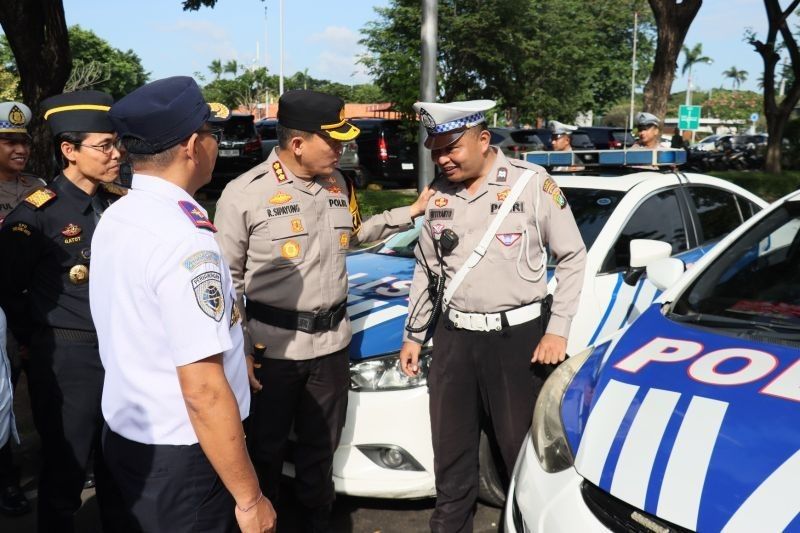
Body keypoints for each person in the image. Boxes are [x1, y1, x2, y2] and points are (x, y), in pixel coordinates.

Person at [214, 89, 432, 532]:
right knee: (266, 451)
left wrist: (408, 212)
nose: (342, 148)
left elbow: (353, 235)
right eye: (332, 141)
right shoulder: (244, 194)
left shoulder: (339, 184)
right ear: (298, 143)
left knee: (321, 448)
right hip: (271, 349)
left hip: (332, 344)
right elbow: (226, 283)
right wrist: (240, 350)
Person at [93, 76, 275, 533]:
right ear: (194, 145)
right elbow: (203, 390)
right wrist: (250, 500)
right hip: (184, 459)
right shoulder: (184, 237)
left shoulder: (121, 213)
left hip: (127, 438)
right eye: (213, 134)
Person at [399, 100, 587, 532]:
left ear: (483, 140)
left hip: (517, 343)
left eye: (452, 148)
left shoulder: (531, 185)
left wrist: (557, 331)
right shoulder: (438, 194)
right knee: (451, 458)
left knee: (520, 457)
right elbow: (428, 269)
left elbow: (573, 255)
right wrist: (414, 335)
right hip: (454, 341)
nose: (443, 158)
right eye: (435, 150)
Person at [0, 90, 127, 532]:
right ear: (69, 151)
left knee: (120, 461)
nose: (116, 154)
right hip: (69, 353)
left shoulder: (121, 202)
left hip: (125, 350)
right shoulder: (36, 215)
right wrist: (33, 341)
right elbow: (8, 286)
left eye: (117, 143)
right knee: (67, 465)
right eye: (104, 145)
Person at [0, 100, 40, 516]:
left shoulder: (38, 186)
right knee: (4, 397)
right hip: (1, 312)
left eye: (23, 142)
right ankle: (8, 478)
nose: (19, 149)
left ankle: (61, 460)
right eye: (8, 141)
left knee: (48, 387)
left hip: (37, 307)